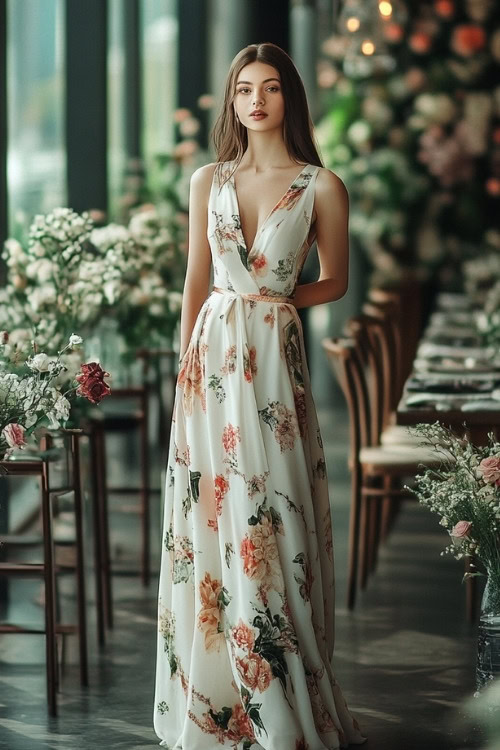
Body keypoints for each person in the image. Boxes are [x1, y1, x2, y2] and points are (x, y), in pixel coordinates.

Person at [153, 42, 367, 750]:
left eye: (270, 88)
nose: (256, 100)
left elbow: (335, 280)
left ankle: (283, 682)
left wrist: (273, 300)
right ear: (233, 100)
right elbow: (193, 276)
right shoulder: (206, 180)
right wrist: (187, 363)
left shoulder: (321, 185)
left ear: (289, 100)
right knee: (213, 515)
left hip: (273, 358)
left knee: (278, 512)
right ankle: (219, 695)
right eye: (244, 88)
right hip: (210, 360)